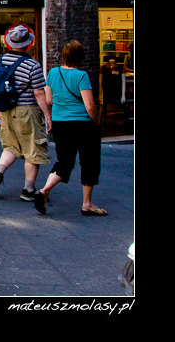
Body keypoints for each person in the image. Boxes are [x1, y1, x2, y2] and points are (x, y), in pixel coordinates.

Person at [34, 40, 106, 216]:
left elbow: (49, 100)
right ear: (80, 56)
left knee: (64, 162)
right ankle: (87, 203)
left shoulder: (52, 73)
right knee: (89, 162)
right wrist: (96, 121)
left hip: (60, 122)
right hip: (82, 123)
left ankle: (44, 190)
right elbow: (89, 105)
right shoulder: (81, 76)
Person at [0, 25, 52, 202]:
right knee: (32, 150)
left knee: (10, 147)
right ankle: (28, 189)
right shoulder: (33, 65)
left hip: (7, 110)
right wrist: (48, 116)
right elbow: (39, 93)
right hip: (27, 111)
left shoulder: (0, 61)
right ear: (28, 45)